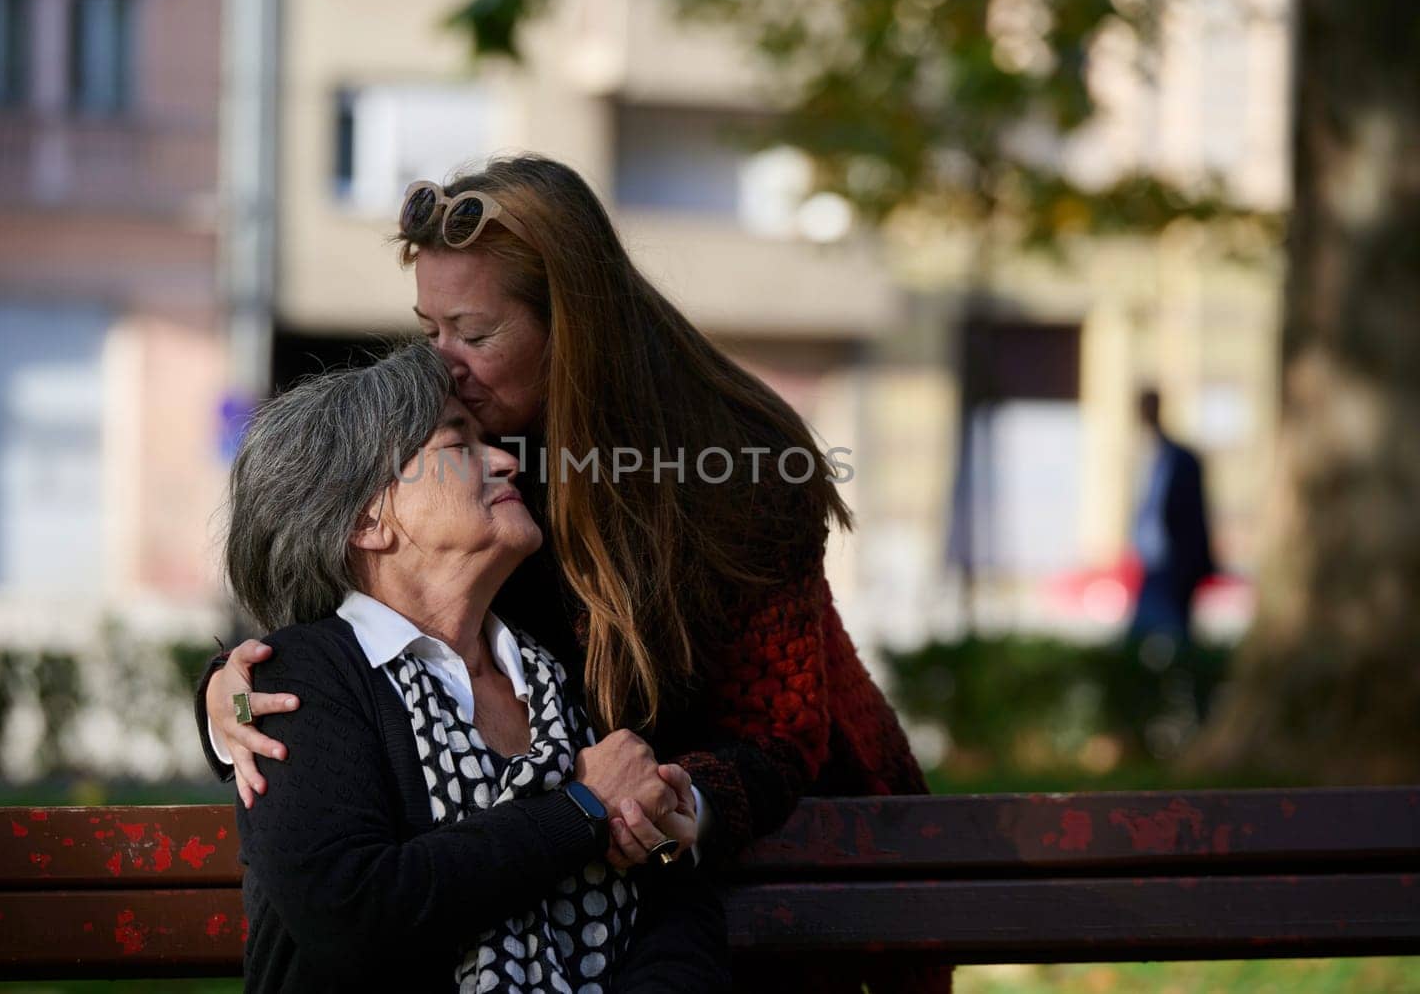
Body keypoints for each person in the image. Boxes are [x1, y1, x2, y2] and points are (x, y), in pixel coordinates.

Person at [198, 155, 949, 993]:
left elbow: (782, 733)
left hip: (808, 852)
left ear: (572, 327)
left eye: (476, 335)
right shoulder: (489, 464)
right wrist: (232, 690)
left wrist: (669, 802)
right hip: (595, 852)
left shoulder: (733, 461)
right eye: (430, 328)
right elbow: (376, 621)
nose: (444, 363)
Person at [224, 344, 730, 992]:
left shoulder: (563, 676)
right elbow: (351, 915)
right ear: (367, 519)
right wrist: (579, 809)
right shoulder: (298, 681)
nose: (504, 459)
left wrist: (648, 835)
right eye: (458, 444)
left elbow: (665, 866)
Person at [1127, 389, 1218, 659]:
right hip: (1151, 565)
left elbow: (1195, 517)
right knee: (1143, 642)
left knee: (1175, 641)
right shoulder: (1145, 456)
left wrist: (1197, 566)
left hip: (1175, 566)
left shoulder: (1180, 459)